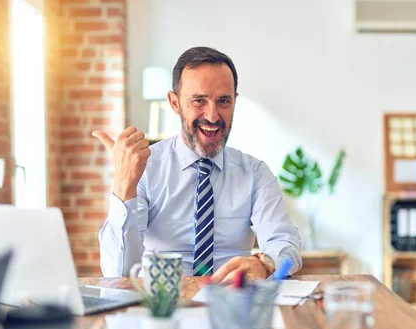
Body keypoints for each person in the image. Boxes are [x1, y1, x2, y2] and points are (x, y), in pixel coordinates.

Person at [94, 46, 302, 283]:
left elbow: (285, 243)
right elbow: (116, 272)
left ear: (235, 101)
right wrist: (123, 185)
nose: (212, 116)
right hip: (163, 302)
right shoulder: (145, 168)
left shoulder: (255, 174)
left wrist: (264, 263)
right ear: (174, 103)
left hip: (232, 301)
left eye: (223, 101)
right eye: (199, 100)